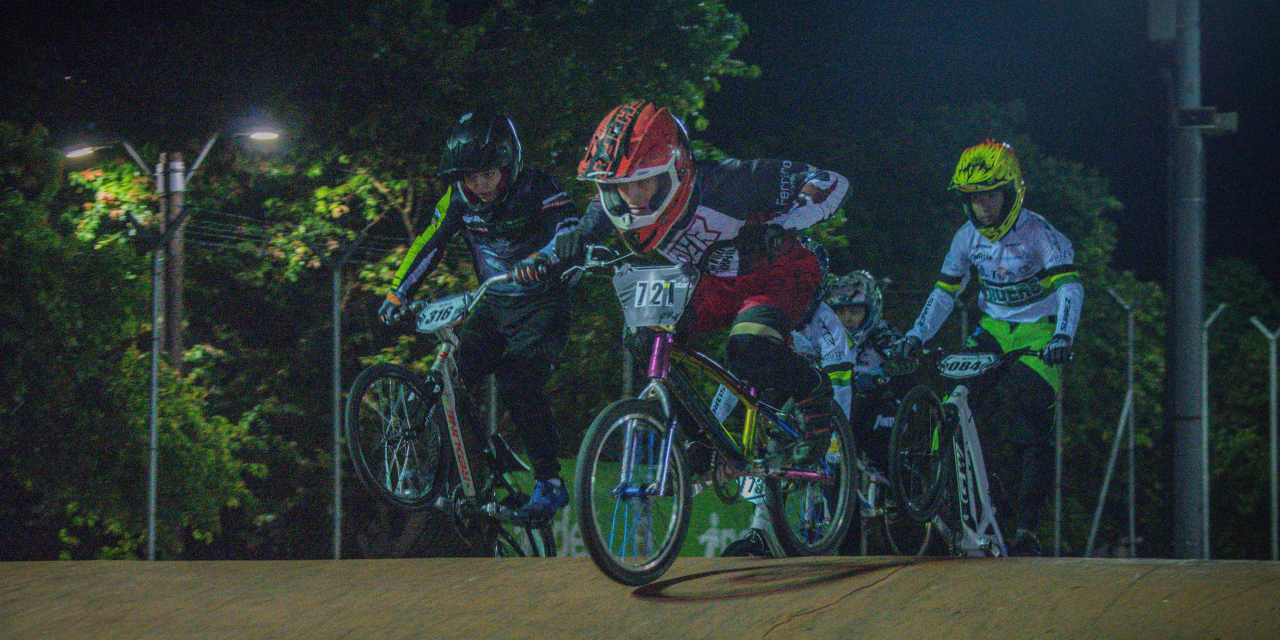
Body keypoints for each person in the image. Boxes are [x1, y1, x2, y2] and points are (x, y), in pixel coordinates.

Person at [378, 111, 586, 516]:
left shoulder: (538, 187)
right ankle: (460, 470)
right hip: (493, 303)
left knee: (517, 382)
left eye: (488, 173)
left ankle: (549, 483)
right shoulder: (457, 198)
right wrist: (397, 293)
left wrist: (543, 257)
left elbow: (571, 229)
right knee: (449, 381)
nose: (480, 184)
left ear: (509, 162)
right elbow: (429, 244)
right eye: (470, 176)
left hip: (543, 303)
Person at [888, 139, 1084, 556]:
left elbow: (1070, 288)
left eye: (991, 195)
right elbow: (944, 294)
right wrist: (914, 336)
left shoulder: (1041, 234)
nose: (983, 208)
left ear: (1012, 191)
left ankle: (1028, 529)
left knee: (1030, 420)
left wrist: (1064, 336)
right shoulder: (964, 239)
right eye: (974, 199)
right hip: (993, 329)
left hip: (1040, 331)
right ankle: (942, 512)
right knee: (951, 401)